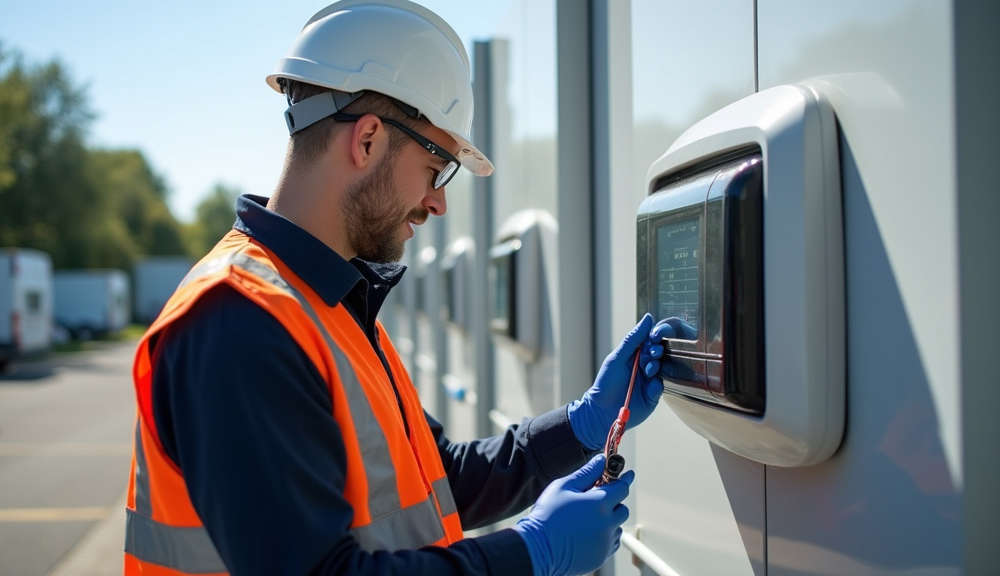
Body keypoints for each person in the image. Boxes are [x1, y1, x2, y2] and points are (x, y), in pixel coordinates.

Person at [123, 1, 676, 575]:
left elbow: (436, 477)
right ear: (366, 140)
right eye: (435, 170)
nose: (438, 203)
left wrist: (582, 424)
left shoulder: (327, 306)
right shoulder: (237, 323)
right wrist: (528, 554)